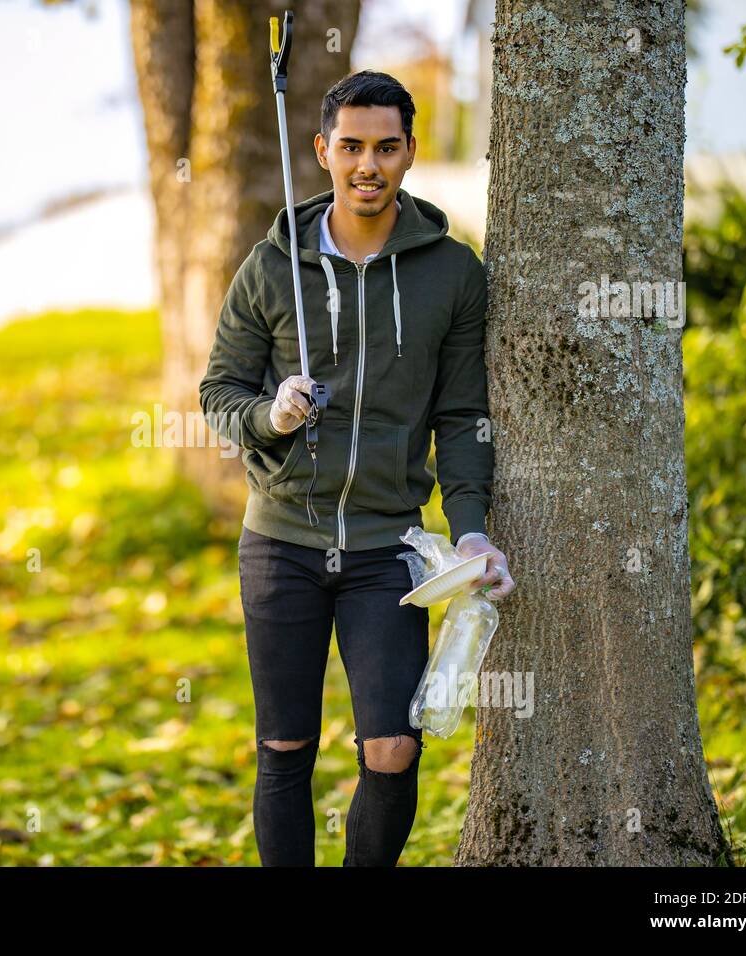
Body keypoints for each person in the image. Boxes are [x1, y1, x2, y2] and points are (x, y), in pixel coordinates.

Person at [198, 70, 515, 867]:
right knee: (284, 747)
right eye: (350, 146)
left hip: (388, 550)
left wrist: (472, 532)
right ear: (322, 151)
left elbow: (462, 418)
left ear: (409, 152)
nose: (366, 164)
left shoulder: (453, 273)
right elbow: (217, 392)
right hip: (281, 543)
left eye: (385, 146)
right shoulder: (274, 268)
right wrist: (269, 416)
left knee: (392, 750)